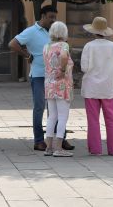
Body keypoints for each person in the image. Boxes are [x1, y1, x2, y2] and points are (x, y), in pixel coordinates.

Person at [9, 5, 73, 152]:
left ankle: (59, 139)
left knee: (56, 110)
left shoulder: (54, 32)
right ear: (42, 16)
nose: (53, 20)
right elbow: (12, 43)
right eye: (50, 17)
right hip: (38, 75)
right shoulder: (31, 31)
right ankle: (39, 140)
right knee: (39, 107)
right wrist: (27, 55)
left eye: (55, 17)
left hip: (54, 78)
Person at [80, 16, 113, 156]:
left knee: (93, 120)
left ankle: (95, 149)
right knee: (111, 119)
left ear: (93, 31)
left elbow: (84, 67)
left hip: (91, 87)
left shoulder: (89, 46)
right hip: (108, 87)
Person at [42, 21, 73, 157]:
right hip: (62, 85)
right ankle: (59, 148)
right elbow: (65, 57)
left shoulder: (46, 46)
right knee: (62, 116)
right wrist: (62, 69)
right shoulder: (64, 45)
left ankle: (48, 147)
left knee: (51, 116)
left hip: (49, 84)